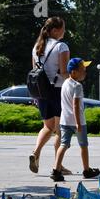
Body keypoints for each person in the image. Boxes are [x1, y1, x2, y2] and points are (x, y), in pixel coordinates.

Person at [29, 17, 72, 175]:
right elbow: (63, 71)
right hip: (58, 91)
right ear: (55, 30)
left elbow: (35, 71)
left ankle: (35, 152)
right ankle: (57, 166)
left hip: (42, 92)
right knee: (61, 129)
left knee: (47, 127)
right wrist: (77, 75)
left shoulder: (36, 47)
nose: (64, 31)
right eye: (63, 28)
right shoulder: (61, 46)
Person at [50, 58, 100, 182]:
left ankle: (56, 170)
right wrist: (78, 123)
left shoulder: (65, 83)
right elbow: (76, 105)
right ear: (73, 72)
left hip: (64, 120)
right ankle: (87, 170)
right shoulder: (77, 86)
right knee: (83, 146)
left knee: (63, 144)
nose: (84, 72)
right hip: (78, 122)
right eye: (82, 70)